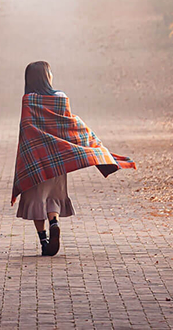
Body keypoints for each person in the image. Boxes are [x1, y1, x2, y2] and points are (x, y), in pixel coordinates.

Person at [11, 60, 136, 256]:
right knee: (53, 197)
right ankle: (54, 222)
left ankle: (44, 241)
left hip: (36, 160)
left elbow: (27, 129)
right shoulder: (61, 97)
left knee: (36, 199)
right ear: (46, 76)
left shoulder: (29, 100)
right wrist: (88, 143)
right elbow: (69, 125)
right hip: (58, 161)